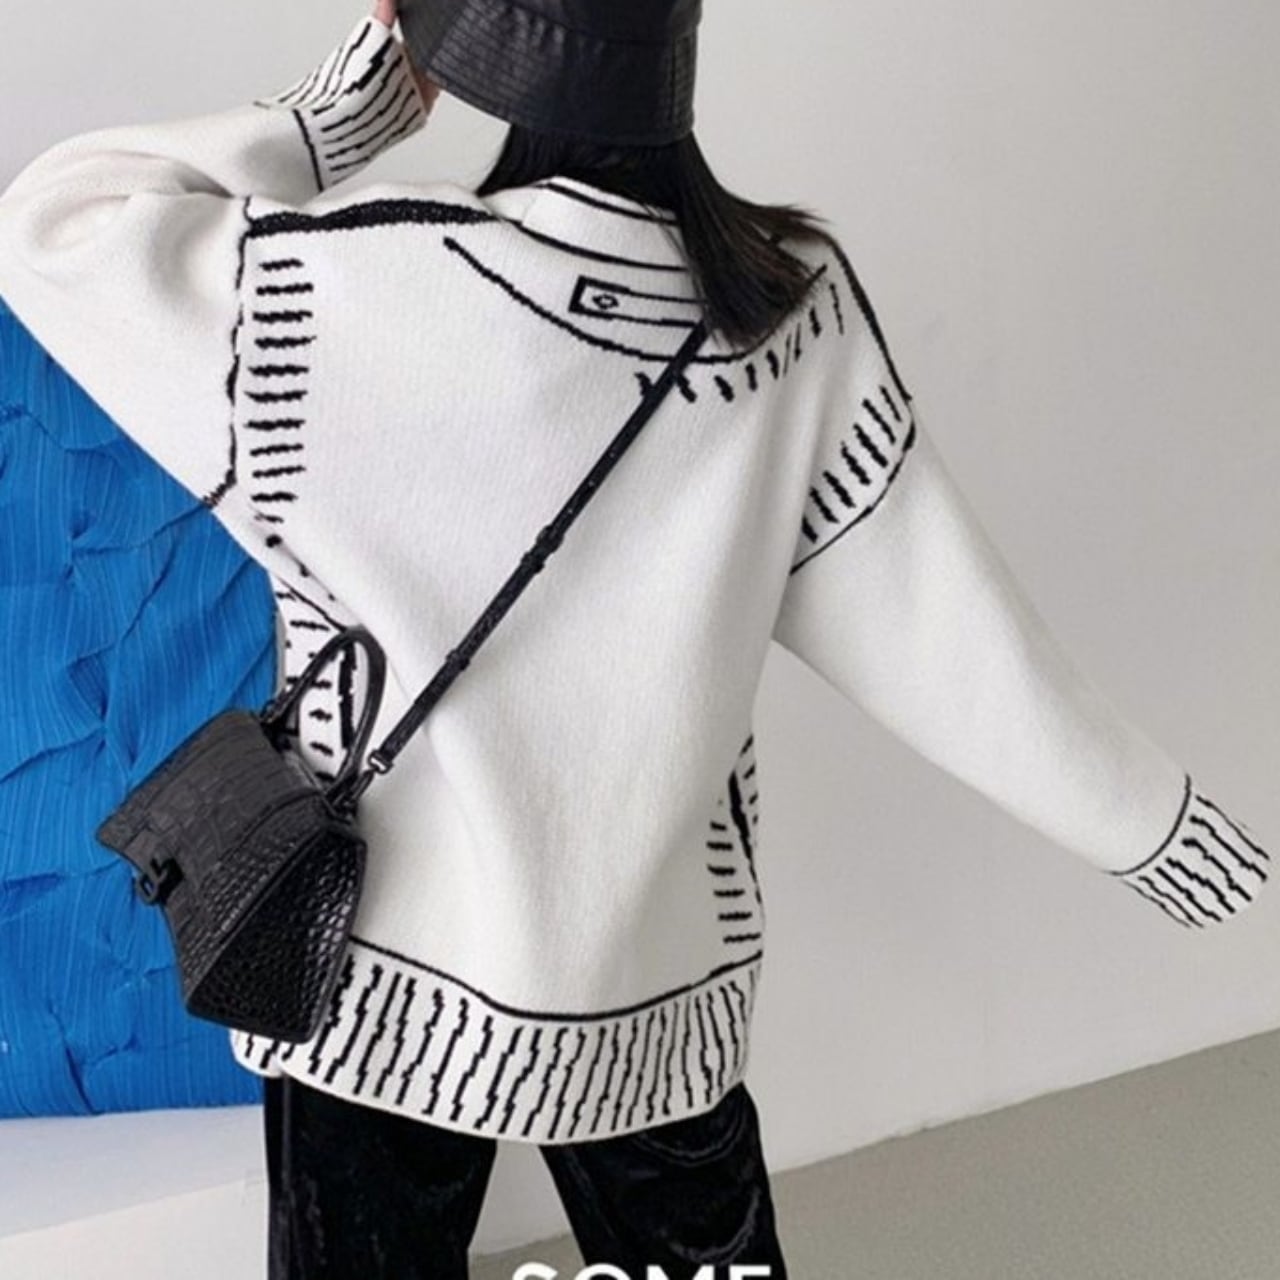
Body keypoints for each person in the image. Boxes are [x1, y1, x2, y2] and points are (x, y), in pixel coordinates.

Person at [0, 1, 1269, 1276]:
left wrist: (355, 106)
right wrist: (1158, 830)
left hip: (363, 969)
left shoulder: (341, 285)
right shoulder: (784, 314)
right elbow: (949, 640)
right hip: (649, 970)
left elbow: (53, 227)